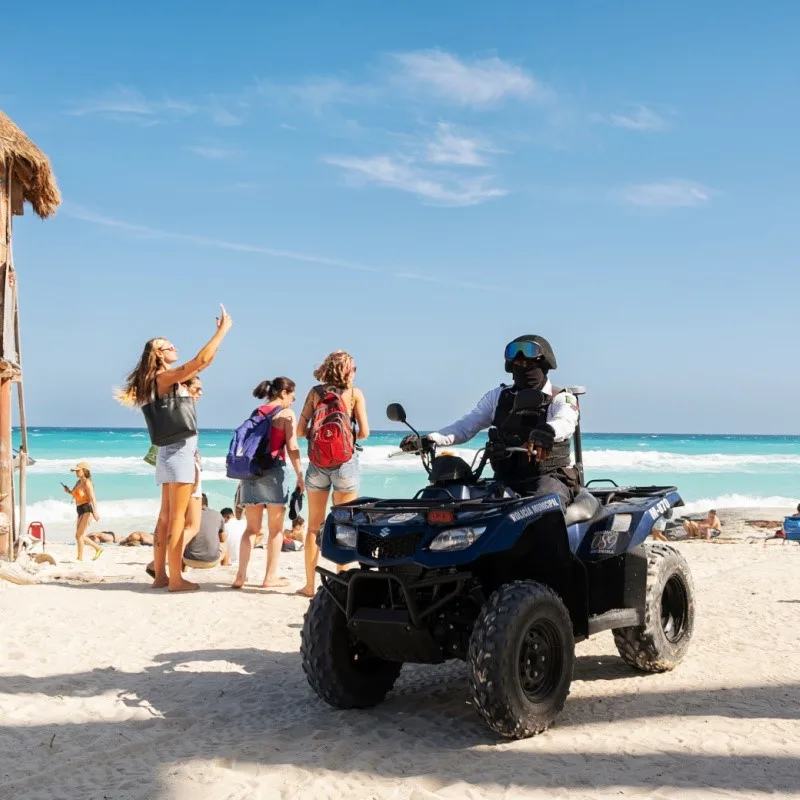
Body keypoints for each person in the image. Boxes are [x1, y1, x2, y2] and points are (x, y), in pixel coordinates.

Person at [116, 304, 232, 592]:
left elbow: (202, 363)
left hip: (167, 451)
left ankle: (160, 576)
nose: (174, 347)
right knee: (177, 517)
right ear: (158, 354)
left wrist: (216, 340)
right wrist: (223, 331)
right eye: (168, 346)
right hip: (180, 450)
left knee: (165, 516)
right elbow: (200, 361)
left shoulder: (153, 382)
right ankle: (176, 578)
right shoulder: (164, 378)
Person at [403, 335, 579, 508]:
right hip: (505, 479)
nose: (522, 368)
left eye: (528, 364)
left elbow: (566, 421)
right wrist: (430, 439)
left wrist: (547, 431)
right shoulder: (498, 396)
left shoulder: (562, 397)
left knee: (543, 508)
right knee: (460, 506)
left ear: (543, 365)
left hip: (549, 478)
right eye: (517, 365)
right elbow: (466, 426)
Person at [296, 350, 370, 597]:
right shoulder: (354, 395)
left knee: (313, 526)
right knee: (345, 524)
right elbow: (365, 433)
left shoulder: (315, 393)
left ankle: (309, 585)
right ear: (349, 371)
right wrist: (346, 436)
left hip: (317, 464)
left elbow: (299, 430)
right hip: (345, 464)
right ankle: (342, 581)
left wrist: (320, 438)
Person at [232, 377, 304, 589]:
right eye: (292, 394)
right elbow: (291, 446)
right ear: (283, 393)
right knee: (275, 530)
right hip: (273, 472)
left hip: (251, 473)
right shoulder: (286, 413)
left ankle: (240, 576)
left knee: (251, 529)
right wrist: (300, 474)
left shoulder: (258, 412)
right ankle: (269, 577)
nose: (293, 399)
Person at [63, 462, 103, 561]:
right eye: (76, 470)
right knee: (79, 535)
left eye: (78, 470)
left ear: (84, 471)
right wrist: (68, 491)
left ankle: (80, 558)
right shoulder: (78, 482)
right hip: (79, 509)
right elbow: (76, 495)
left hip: (87, 509)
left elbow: (93, 498)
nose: (76, 472)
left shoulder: (87, 483)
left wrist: (95, 512)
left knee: (79, 535)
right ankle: (98, 548)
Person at [183, 494, 227, 569]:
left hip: (188, 560)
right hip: (211, 561)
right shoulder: (218, 515)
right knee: (225, 545)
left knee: (183, 544)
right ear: (206, 503)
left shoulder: (187, 514)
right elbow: (222, 539)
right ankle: (224, 568)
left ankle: (183, 571)